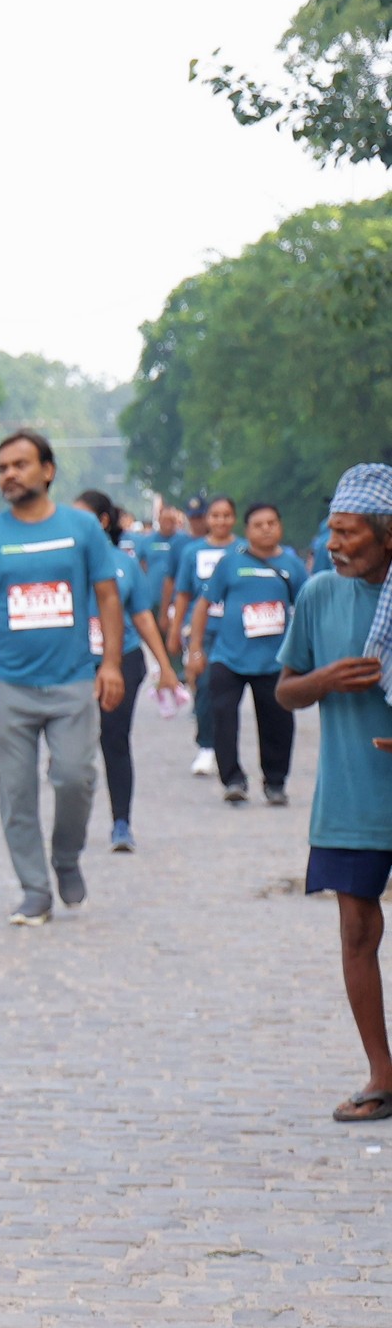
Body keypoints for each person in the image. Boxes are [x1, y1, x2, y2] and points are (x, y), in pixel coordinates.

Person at [0, 430, 126, 924]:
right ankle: (34, 889)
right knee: (17, 794)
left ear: (47, 471)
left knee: (75, 777)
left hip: (71, 681)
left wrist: (111, 664)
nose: (9, 474)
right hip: (7, 685)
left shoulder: (81, 529)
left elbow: (108, 597)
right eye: (2, 467)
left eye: (20, 464)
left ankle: (66, 857)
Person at [275, 467, 392, 1122]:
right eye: (332, 532)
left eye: (349, 534)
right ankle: (382, 1074)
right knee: (356, 932)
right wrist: (324, 680)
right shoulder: (319, 593)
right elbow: (285, 692)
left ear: (388, 536)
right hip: (350, 794)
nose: (334, 545)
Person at [187, 500, 308, 808]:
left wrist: (306, 652)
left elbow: (307, 609)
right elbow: (203, 605)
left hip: (274, 660)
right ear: (248, 530)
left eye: (271, 523)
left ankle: (276, 782)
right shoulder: (230, 563)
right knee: (223, 717)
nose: (266, 529)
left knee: (278, 722)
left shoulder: (292, 566)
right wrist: (196, 649)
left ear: (280, 526)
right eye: (258, 525)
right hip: (229, 657)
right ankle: (233, 780)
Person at [83, 489, 183, 852]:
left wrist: (165, 667)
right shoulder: (59, 563)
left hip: (122, 658)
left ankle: (121, 822)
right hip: (73, 662)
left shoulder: (122, 564)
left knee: (114, 738)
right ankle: (72, 821)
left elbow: (142, 616)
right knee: (72, 745)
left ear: (102, 522)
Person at [174, 495, 240, 778]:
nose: (220, 521)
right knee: (204, 686)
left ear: (234, 518)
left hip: (237, 631)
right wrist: (175, 629)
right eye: (215, 515)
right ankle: (206, 746)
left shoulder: (243, 550)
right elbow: (184, 593)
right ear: (207, 519)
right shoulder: (193, 552)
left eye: (226, 515)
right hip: (204, 631)